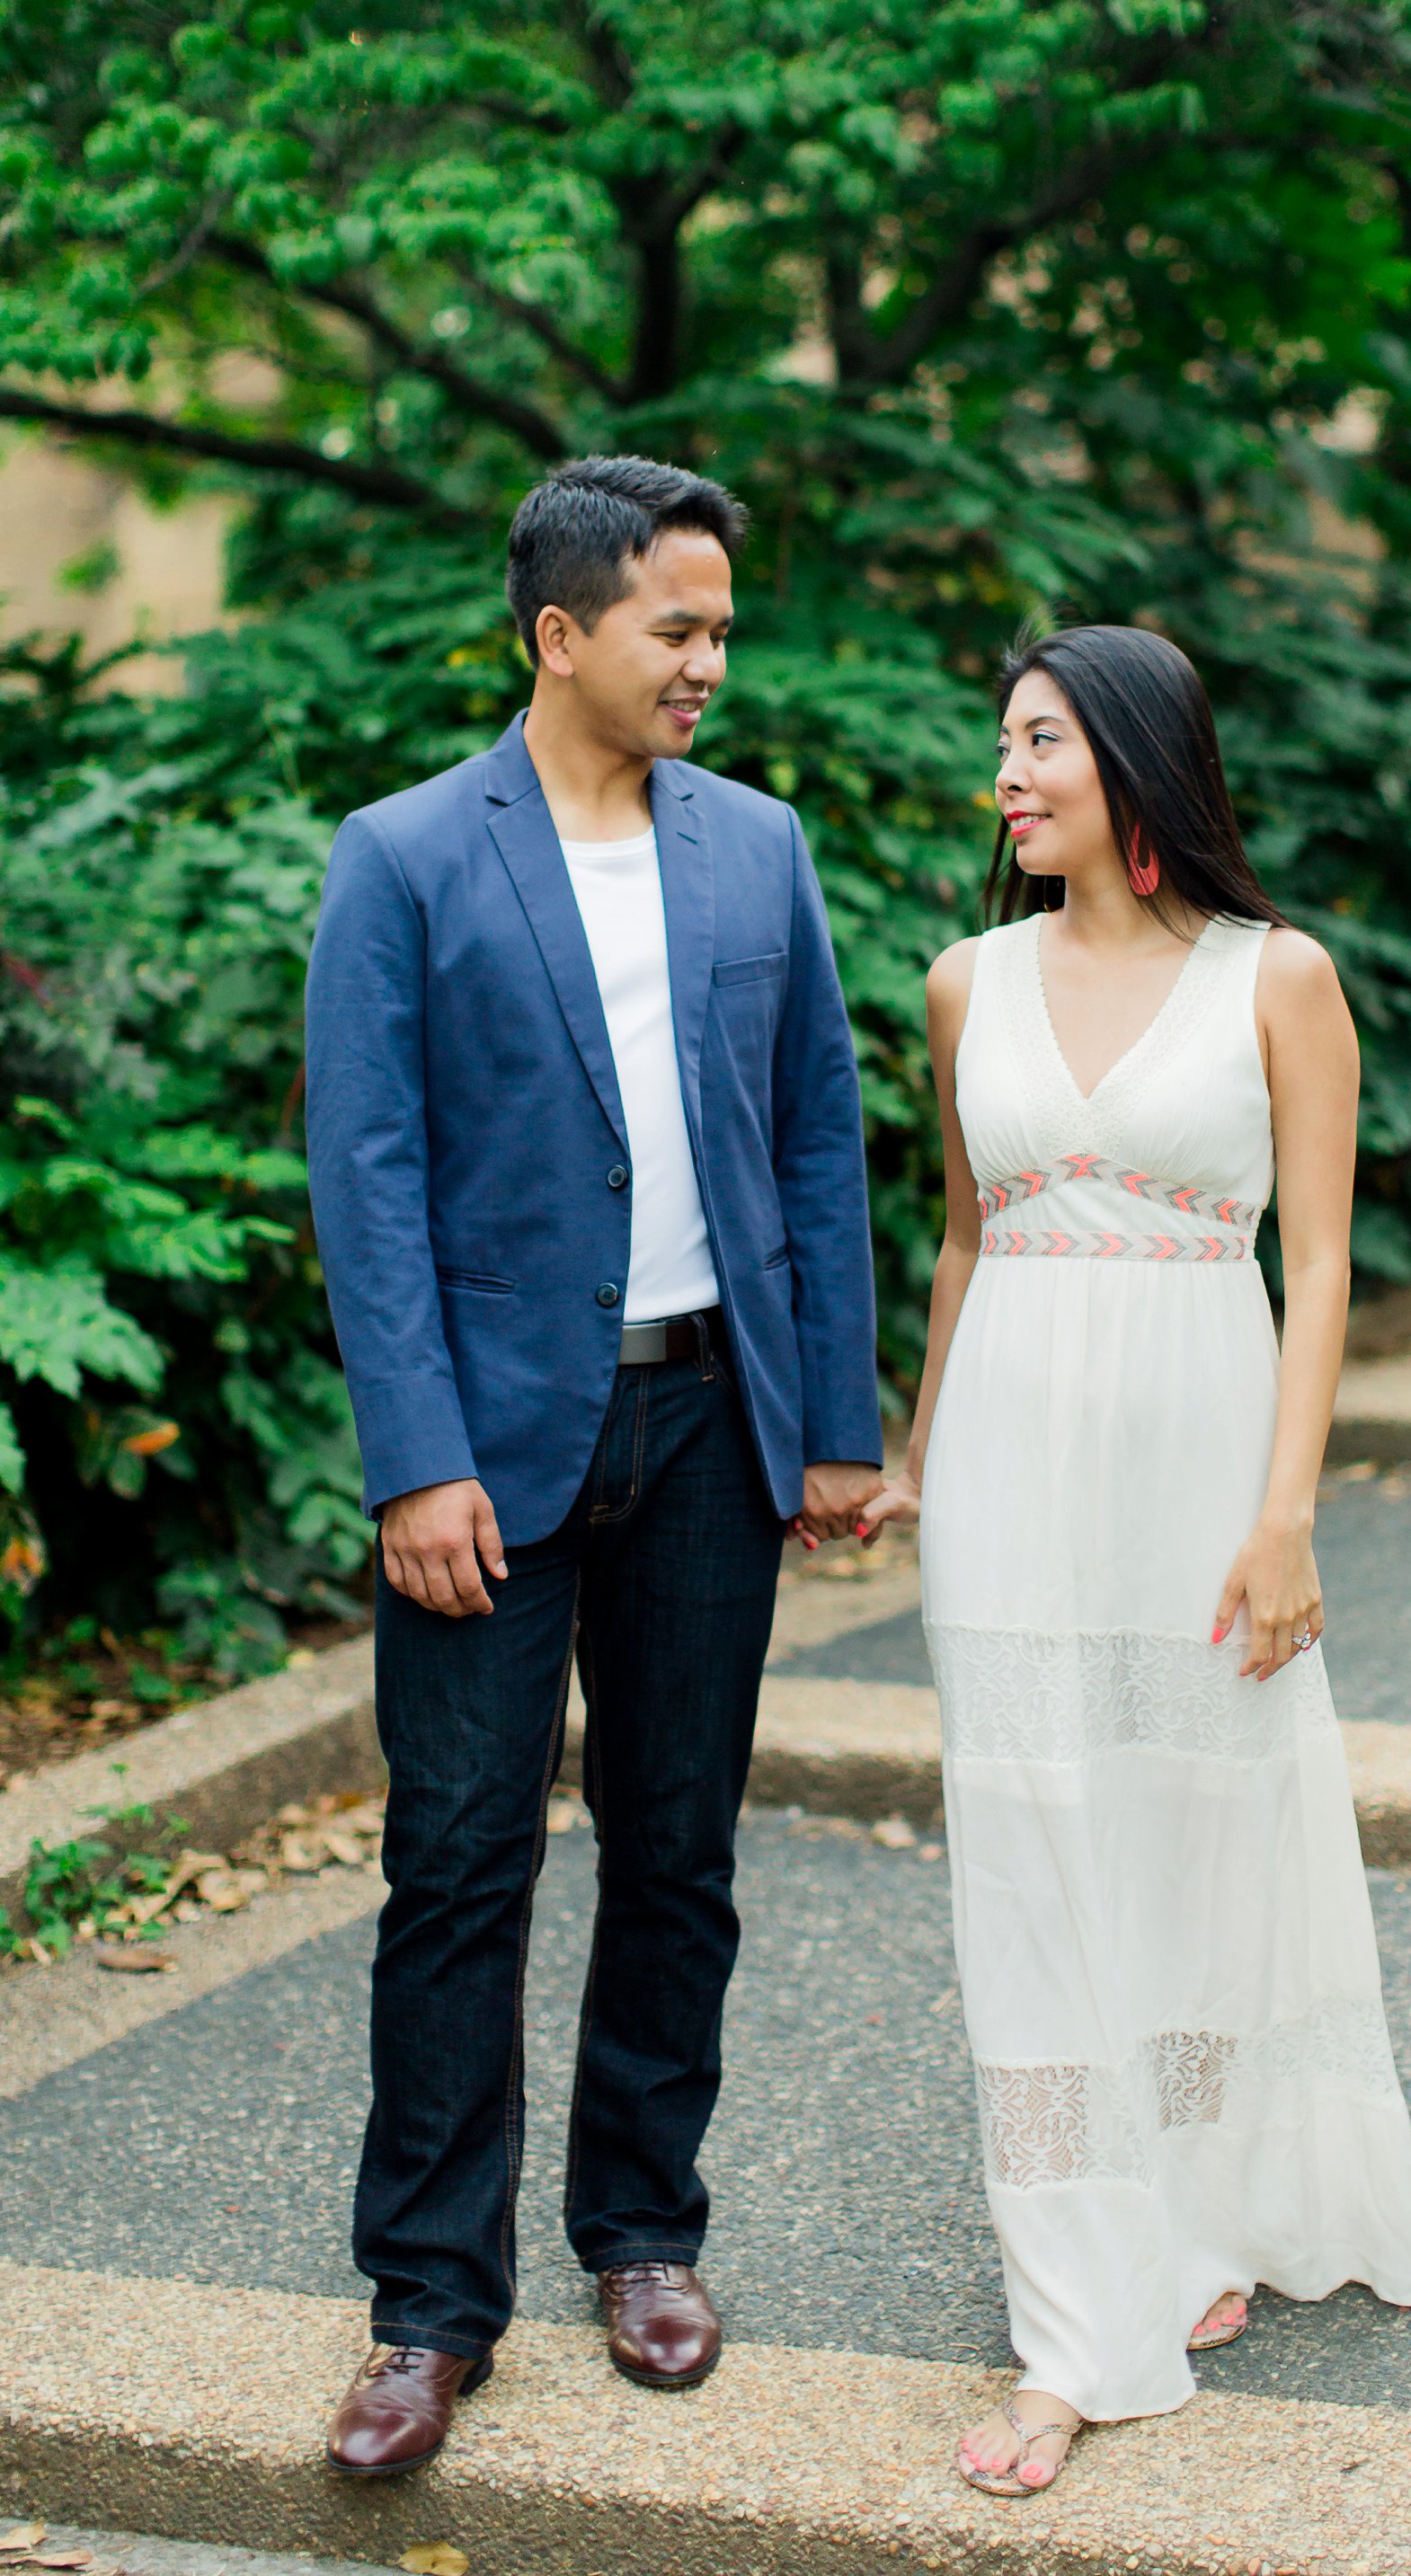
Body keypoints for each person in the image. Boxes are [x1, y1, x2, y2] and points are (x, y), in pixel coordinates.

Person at [305, 454, 883, 2477]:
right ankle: (427, 2307)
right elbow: (366, 1184)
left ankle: (643, 2229)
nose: (709, 663)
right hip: (489, 1454)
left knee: (679, 1849)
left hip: (712, 1420)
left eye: (720, 628)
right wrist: (414, 1462)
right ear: (562, 633)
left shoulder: (761, 849)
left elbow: (817, 1134)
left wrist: (835, 1420)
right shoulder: (402, 856)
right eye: (677, 628)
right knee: (455, 1868)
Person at [860, 624, 1411, 2497]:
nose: (1003, 780)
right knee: (1033, 1854)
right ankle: (1074, 2331)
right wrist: (918, 1458)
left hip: (1204, 1459)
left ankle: (1183, 2216)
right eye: (1001, 748)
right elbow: (962, 1243)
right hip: (1013, 1471)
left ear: (1131, 761)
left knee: (1192, 1835)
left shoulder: (1280, 981)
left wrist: (1286, 1519)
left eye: (1035, 744)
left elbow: (1325, 1263)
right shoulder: (965, 983)